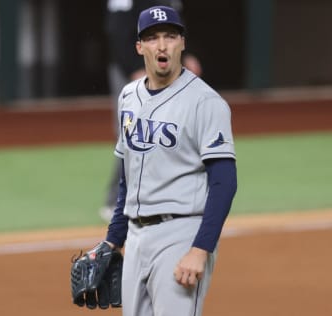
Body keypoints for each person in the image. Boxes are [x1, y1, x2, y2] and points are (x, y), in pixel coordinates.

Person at [90, 5, 237, 315]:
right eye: (152, 38)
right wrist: (113, 240)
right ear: (139, 46)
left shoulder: (206, 102)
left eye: (170, 36)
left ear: (182, 43)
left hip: (181, 235)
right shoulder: (128, 97)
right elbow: (127, 180)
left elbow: (224, 183)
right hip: (136, 238)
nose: (162, 45)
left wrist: (200, 250)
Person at [101, 0, 203, 221]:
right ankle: (116, 201)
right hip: (130, 69)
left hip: (166, 67)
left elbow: (175, 27)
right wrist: (133, 68)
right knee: (132, 135)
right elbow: (117, 31)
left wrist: (188, 55)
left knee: (168, 131)